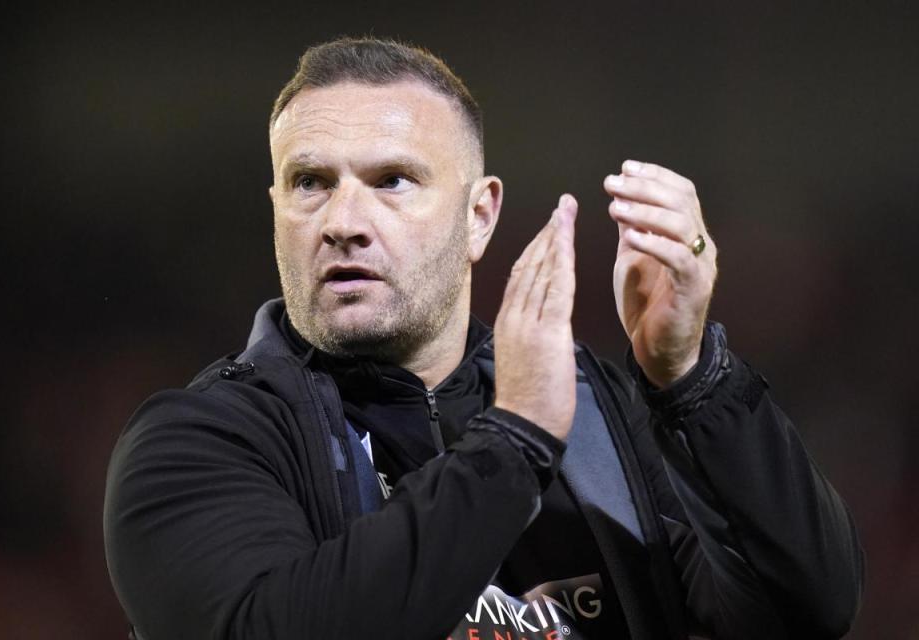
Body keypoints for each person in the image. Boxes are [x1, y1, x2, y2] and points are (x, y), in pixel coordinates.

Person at [103, 37, 864, 640]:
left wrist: (691, 380)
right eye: (310, 182)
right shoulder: (198, 442)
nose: (342, 220)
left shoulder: (604, 420)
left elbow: (804, 611)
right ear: (276, 208)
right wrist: (516, 442)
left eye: (393, 179)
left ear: (480, 216)